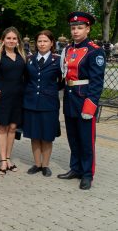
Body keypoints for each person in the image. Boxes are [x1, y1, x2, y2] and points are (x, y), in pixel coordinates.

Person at [58, 11, 105, 190]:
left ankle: (87, 174)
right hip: (70, 98)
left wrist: (90, 104)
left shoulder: (95, 51)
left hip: (84, 99)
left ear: (88, 29)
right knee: (73, 137)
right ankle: (75, 168)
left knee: (86, 139)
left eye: (80, 28)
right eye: (73, 28)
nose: (76, 31)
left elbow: (97, 81)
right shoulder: (68, 49)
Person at [23, 30, 63, 177]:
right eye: (39, 41)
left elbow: (62, 81)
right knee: (34, 135)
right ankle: (37, 164)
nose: (42, 44)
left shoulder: (57, 60)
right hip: (31, 102)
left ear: (51, 43)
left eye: (45, 41)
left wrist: (50, 91)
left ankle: (45, 165)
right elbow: (25, 79)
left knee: (47, 136)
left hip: (49, 103)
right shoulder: (29, 59)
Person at [0, 26, 26, 175]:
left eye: (14, 38)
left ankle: (8, 157)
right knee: (2, 127)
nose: (11, 41)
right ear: (3, 40)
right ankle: (3, 160)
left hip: (17, 98)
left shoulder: (22, 56)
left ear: (18, 41)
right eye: (8, 38)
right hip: (1, 97)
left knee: (12, 128)